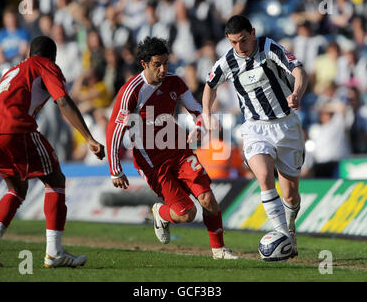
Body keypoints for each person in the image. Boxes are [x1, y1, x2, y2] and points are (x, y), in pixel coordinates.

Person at [0, 36, 105, 268]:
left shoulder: (11, 73)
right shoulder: (45, 66)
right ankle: (54, 252)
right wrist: (89, 137)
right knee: (55, 179)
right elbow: (62, 101)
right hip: (16, 129)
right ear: (52, 57)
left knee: (16, 189)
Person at [106, 37, 238, 260]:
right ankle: (160, 212)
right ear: (144, 64)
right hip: (151, 161)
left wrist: (199, 127)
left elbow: (197, 109)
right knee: (187, 214)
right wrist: (115, 169)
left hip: (179, 150)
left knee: (207, 198)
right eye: (157, 64)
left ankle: (219, 250)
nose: (163, 69)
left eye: (166, 63)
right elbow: (114, 129)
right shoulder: (132, 91)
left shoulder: (174, 82)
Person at [202, 15, 309, 258]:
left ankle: (289, 228)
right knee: (263, 176)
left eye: (243, 40)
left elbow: (299, 71)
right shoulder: (227, 62)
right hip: (255, 128)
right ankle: (282, 235)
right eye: (233, 43)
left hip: (286, 125)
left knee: (291, 194)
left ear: (253, 32)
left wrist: (296, 93)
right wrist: (206, 113)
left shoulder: (270, 47)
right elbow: (210, 85)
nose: (239, 47)